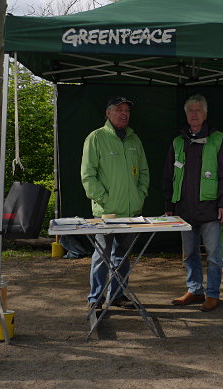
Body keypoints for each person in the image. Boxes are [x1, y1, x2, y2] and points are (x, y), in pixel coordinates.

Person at [163, 94, 223, 312]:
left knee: (214, 256)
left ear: (205, 114)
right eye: (190, 111)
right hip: (184, 210)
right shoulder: (178, 142)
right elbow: (168, 176)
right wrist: (169, 206)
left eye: (198, 111)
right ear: (186, 115)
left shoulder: (219, 139)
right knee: (189, 255)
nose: (194, 114)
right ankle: (194, 290)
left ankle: (212, 294)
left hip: (210, 210)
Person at [82, 97, 149, 310]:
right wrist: (104, 200)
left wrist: (140, 195)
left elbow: (144, 172)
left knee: (123, 256)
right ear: (108, 113)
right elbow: (88, 175)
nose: (124, 114)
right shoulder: (96, 138)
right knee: (102, 255)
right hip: (107, 213)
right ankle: (96, 299)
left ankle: (118, 295)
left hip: (132, 212)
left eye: (127, 110)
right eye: (119, 110)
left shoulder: (134, 140)